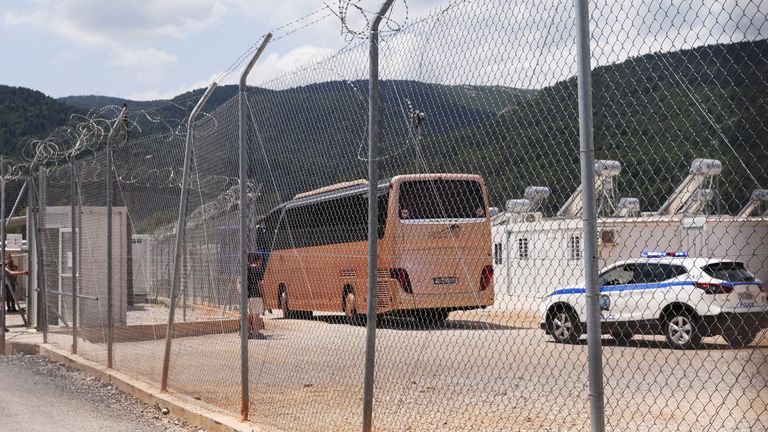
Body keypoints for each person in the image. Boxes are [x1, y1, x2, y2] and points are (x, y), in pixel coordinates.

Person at [246, 252, 266, 340]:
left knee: (249, 314)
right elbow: (260, 285)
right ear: (258, 261)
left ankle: (246, 333)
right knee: (256, 315)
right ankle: (256, 333)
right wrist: (263, 296)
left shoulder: (248, 269)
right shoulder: (259, 271)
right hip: (257, 295)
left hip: (249, 295)